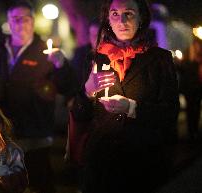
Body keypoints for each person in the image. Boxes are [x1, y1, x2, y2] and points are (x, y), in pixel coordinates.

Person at [70, 0, 180, 193]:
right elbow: (80, 115)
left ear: (141, 18)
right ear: (108, 20)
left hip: (143, 163)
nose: (121, 20)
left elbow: (169, 114)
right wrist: (87, 91)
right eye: (114, 14)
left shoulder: (159, 60)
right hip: (101, 164)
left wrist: (131, 107)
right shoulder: (96, 57)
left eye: (128, 13)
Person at [0, 1, 78, 193]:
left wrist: (61, 66)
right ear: (9, 22)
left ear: (33, 21)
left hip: (35, 134)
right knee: (2, 184)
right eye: (15, 19)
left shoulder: (45, 52)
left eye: (25, 18)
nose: (20, 23)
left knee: (38, 183)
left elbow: (67, 86)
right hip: (2, 135)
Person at [178, 37, 202, 142]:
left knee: (195, 109)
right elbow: (183, 70)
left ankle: (194, 131)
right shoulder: (188, 54)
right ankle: (191, 131)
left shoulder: (199, 57)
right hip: (189, 88)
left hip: (198, 87)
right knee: (190, 109)